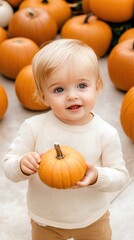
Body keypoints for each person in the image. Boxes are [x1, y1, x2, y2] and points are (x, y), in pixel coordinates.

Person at [3, 39, 129, 240]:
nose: (72, 96)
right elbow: (9, 166)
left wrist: (97, 176)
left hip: (92, 220)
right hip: (46, 221)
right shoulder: (34, 128)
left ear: (97, 87)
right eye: (59, 90)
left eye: (81, 85)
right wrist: (21, 164)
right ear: (44, 97)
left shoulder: (105, 133)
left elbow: (120, 176)